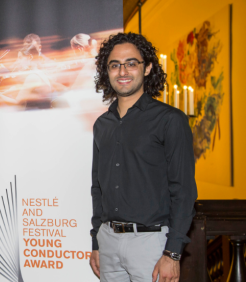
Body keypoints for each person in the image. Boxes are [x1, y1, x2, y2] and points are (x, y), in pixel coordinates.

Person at [89, 32, 197, 282]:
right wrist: (97, 240)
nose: (122, 71)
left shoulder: (170, 120)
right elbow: (98, 188)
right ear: (107, 72)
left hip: (152, 245)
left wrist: (172, 253)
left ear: (147, 68)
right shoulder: (101, 125)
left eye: (131, 63)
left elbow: (184, 191)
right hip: (108, 241)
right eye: (114, 65)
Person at [0, 44, 52, 109]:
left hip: (35, 115)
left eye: (20, 58)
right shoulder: (40, 72)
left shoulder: (32, 77)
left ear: (30, 57)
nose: (18, 62)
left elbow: (17, 102)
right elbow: (19, 88)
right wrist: (3, 92)